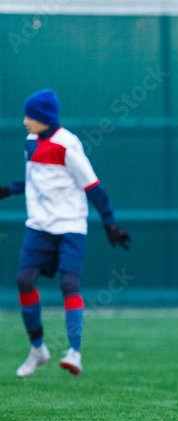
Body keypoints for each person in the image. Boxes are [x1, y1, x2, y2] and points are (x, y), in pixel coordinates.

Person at [1, 88, 131, 378]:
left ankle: (74, 352)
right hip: (39, 225)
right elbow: (34, 179)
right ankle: (38, 350)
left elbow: (93, 187)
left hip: (71, 226)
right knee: (24, 281)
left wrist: (109, 222)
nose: (24, 121)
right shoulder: (30, 141)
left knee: (69, 285)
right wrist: (9, 189)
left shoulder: (68, 145)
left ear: (45, 118)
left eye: (30, 116)